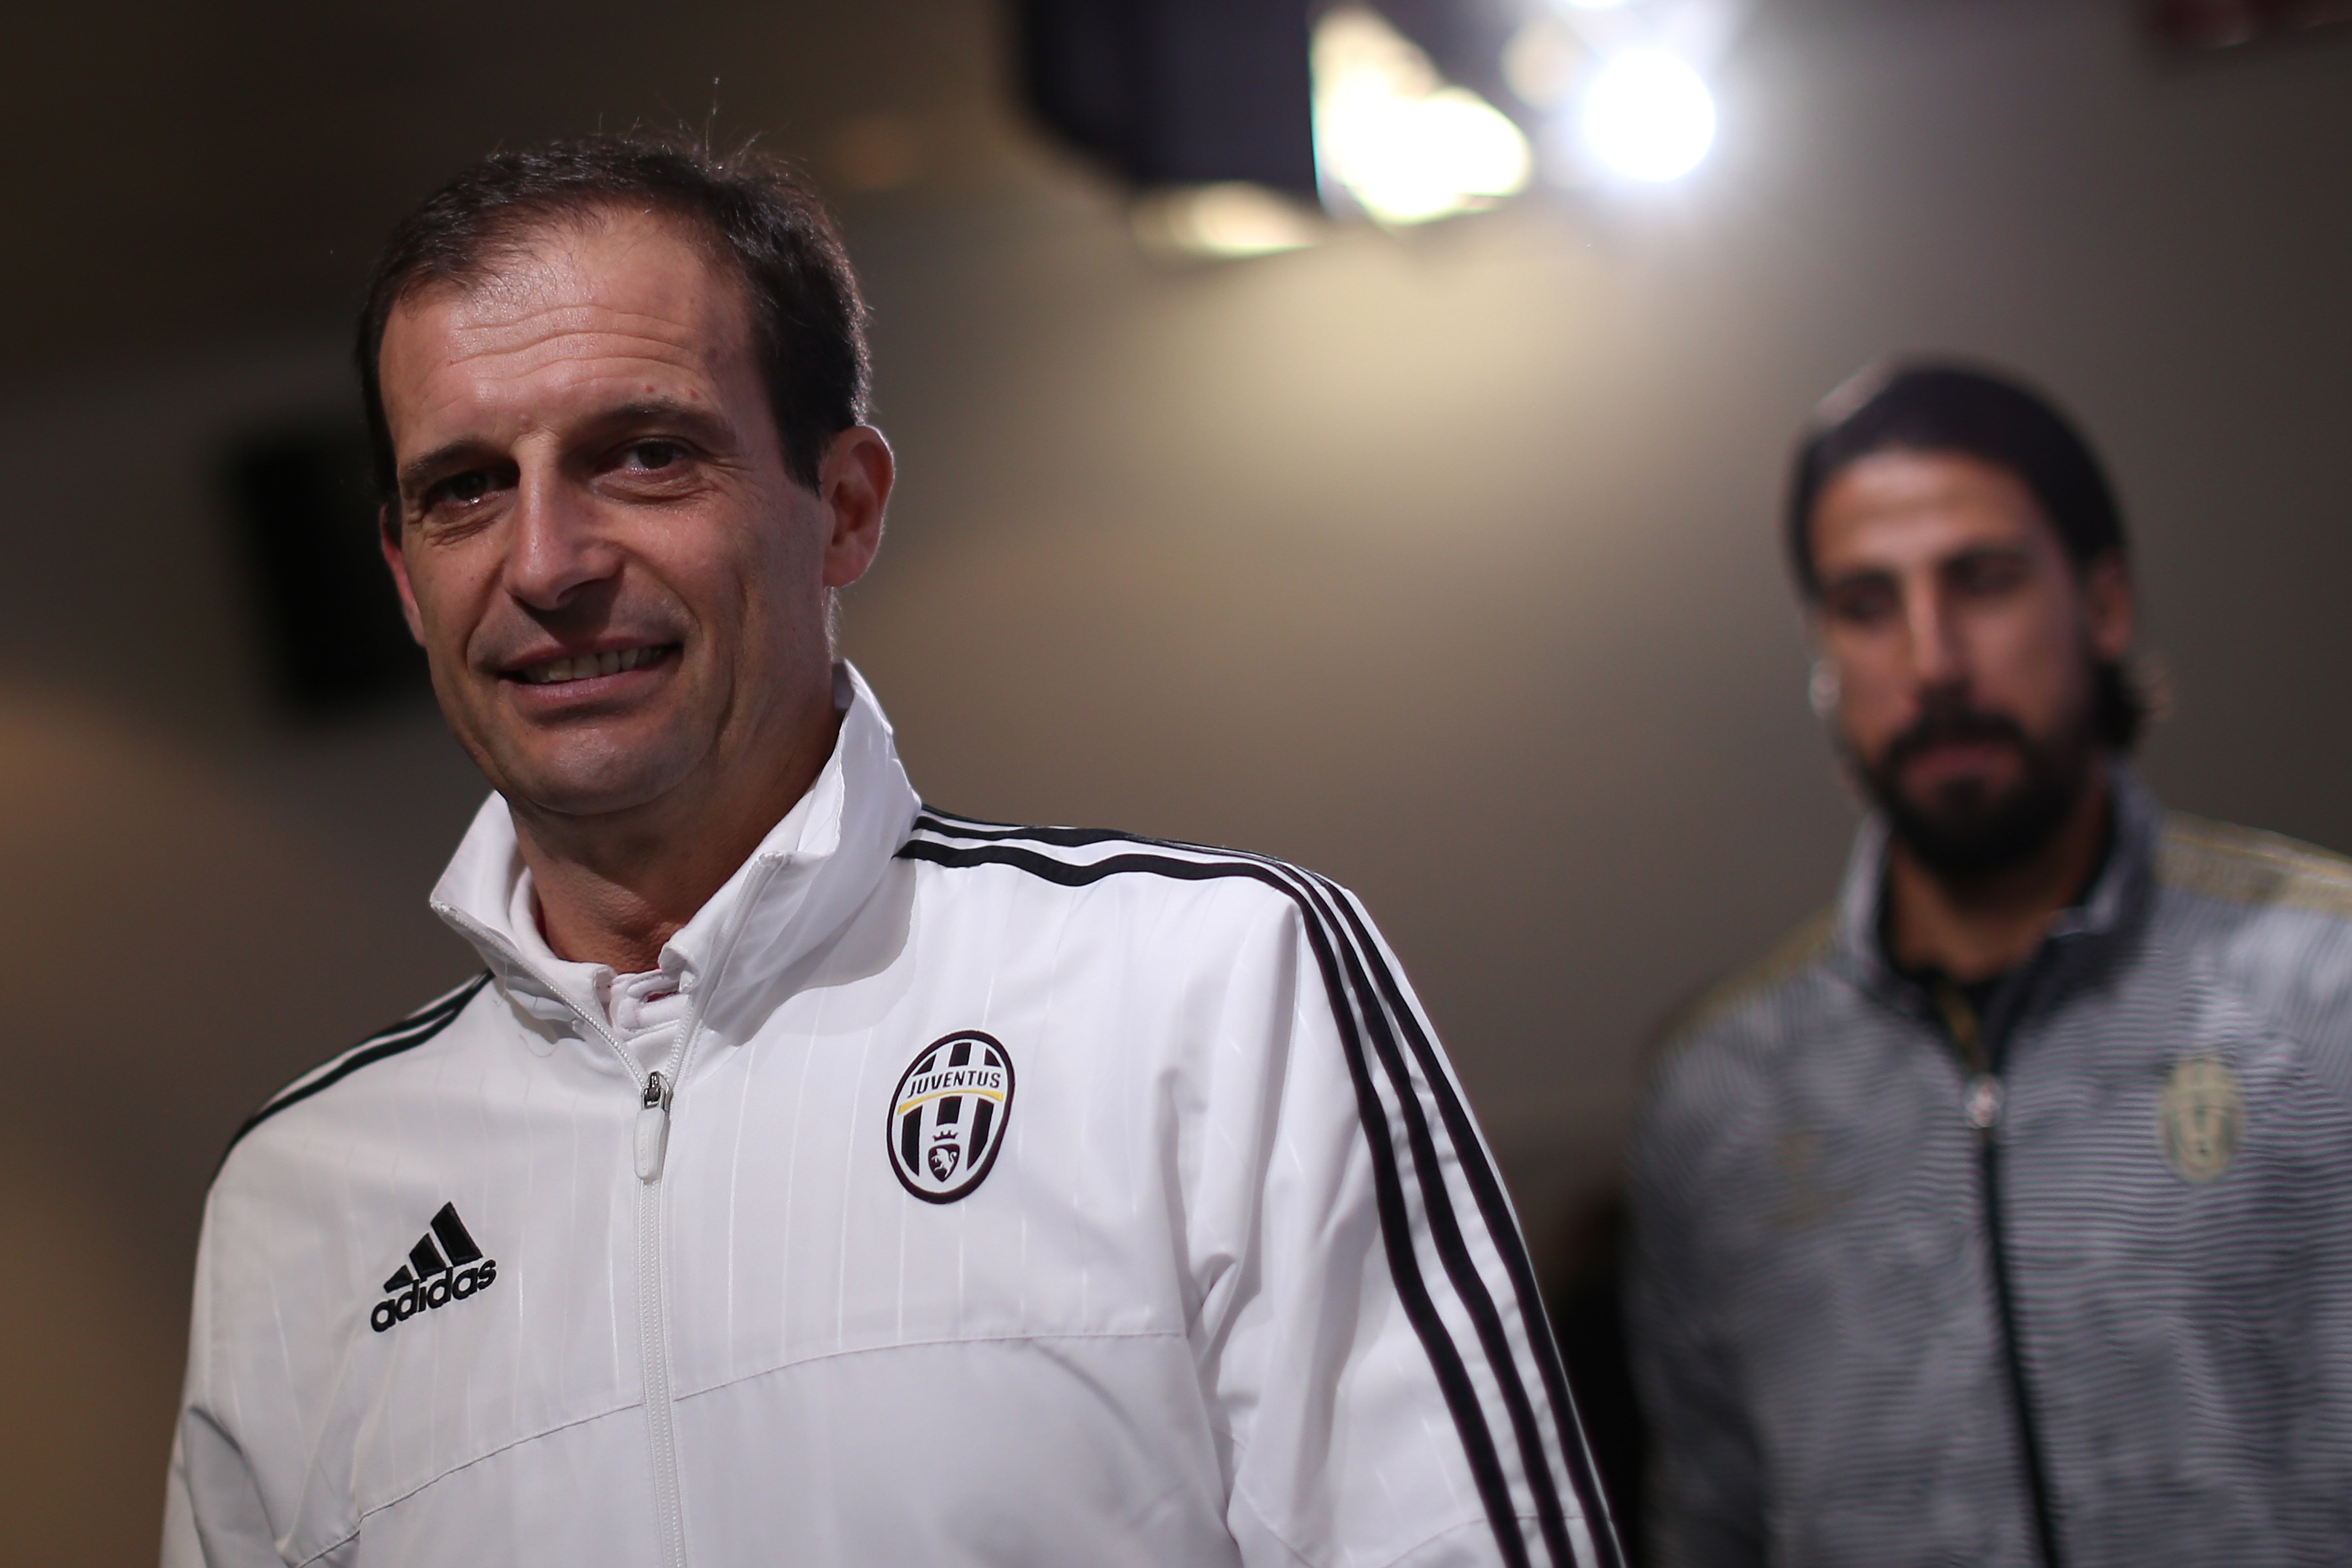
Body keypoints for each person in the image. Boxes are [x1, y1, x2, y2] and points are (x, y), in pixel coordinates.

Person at [163, 136, 1616, 1568]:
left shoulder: (1207, 987)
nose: (544, 564)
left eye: (645, 455)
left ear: (845, 507)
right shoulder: (301, 1202)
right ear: (406, 579)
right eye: (466, 486)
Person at [1625, 360, 2352, 1567]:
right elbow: (1708, 1524)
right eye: (1866, 605)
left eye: (1986, 582)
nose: (1934, 659)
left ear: (2104, 606)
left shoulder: (2322, 987)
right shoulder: (1722, 1097)